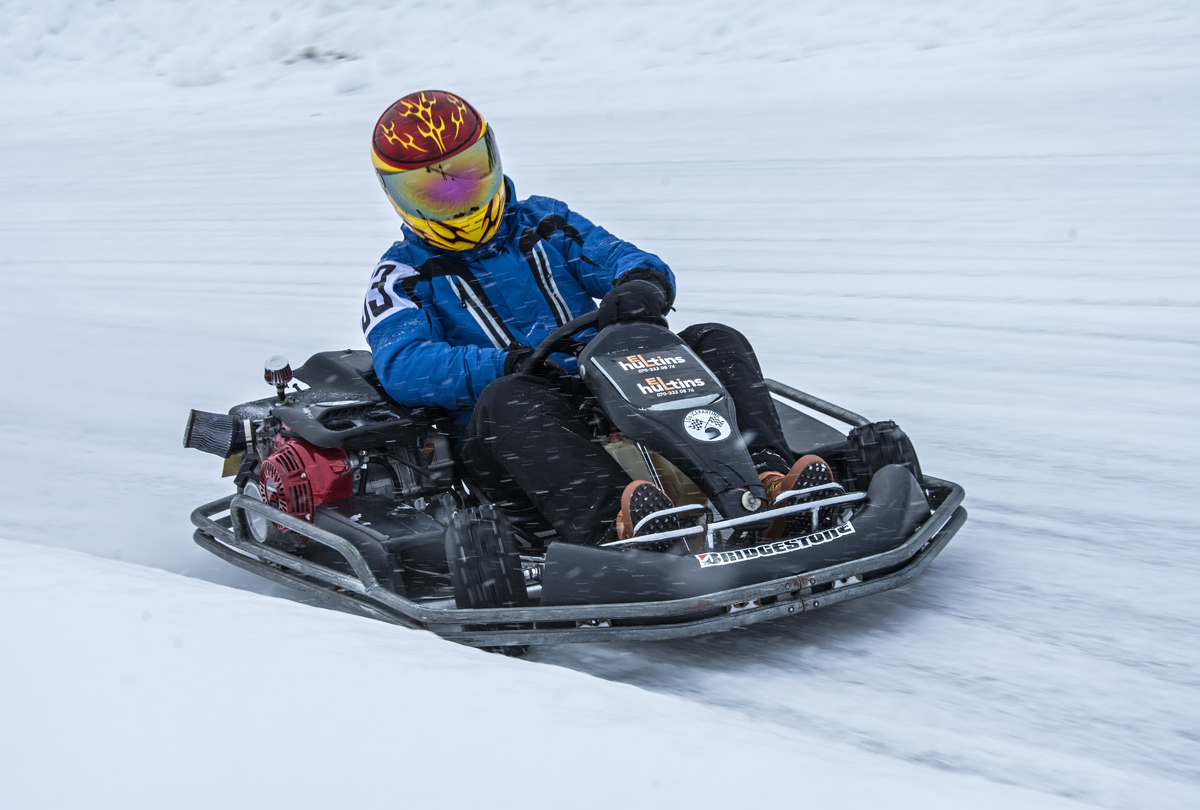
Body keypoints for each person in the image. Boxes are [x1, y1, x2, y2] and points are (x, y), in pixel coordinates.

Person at [362, 90, 837, 546]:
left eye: (466, 174)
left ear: (491, 159)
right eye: (433, 188)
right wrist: (506, 364)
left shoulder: (544, 221)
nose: (458, 197)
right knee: (509, 398)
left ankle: (772, 483)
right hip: (512, 441)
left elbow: (622, 258)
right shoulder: (401, 275)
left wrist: (639, 286)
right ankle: (625, 527)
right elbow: (404, 364)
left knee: (714, 339)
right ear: (398, 195)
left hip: (612, 390)